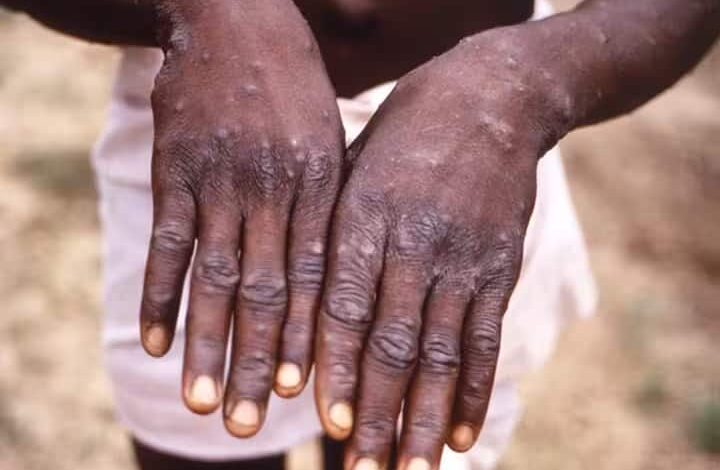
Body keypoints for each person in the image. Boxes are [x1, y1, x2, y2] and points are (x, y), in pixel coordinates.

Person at [4, 0, 719, 469]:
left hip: (473, 154)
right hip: (217, 114)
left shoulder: (501, 108)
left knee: (405, 444)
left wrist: (521, 87)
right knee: (194, 442)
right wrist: (206, 8)